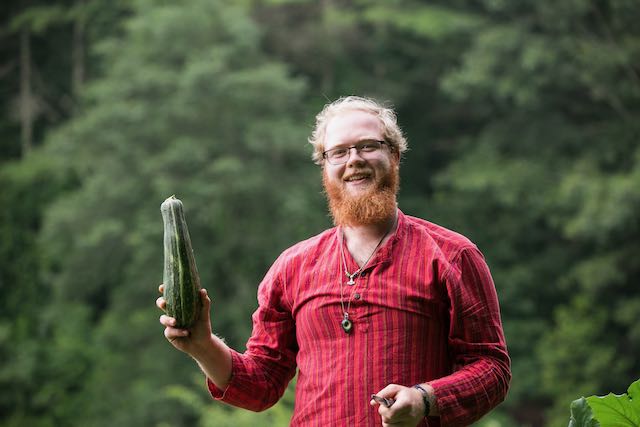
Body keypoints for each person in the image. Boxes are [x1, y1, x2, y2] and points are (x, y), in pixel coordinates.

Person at [157, 96, 511, 426]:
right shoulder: (292, 267)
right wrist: (203, 345)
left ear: (396, 156)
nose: (354, 159)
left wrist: (425, 398)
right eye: (339, 152)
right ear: (324, 168)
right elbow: (262, 384)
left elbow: (492, 370)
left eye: (369, 146)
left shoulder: (451, 255)